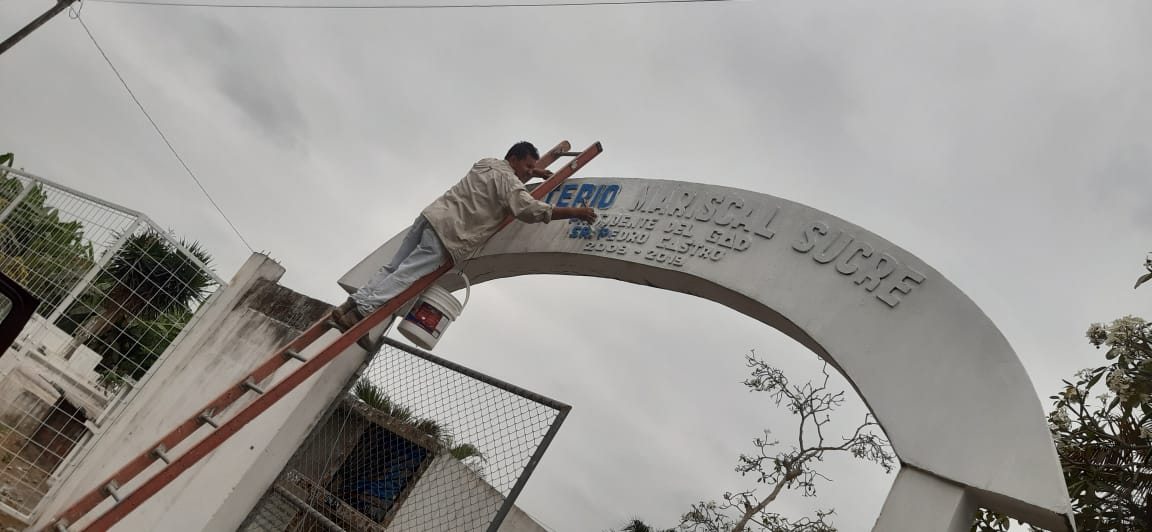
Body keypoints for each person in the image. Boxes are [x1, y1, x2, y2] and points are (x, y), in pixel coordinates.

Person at [332, 141, 597, 329]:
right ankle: (362, 311)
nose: (529, 171)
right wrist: (575, 212)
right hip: (449, 234)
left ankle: (352, 305)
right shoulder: (510, 184)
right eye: (527, 166)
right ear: (514, 160)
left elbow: (511, 174)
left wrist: (535, 171)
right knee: (407, 274)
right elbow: (529, 210)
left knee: (393, 267)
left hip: (430, 217)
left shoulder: (487, 163)